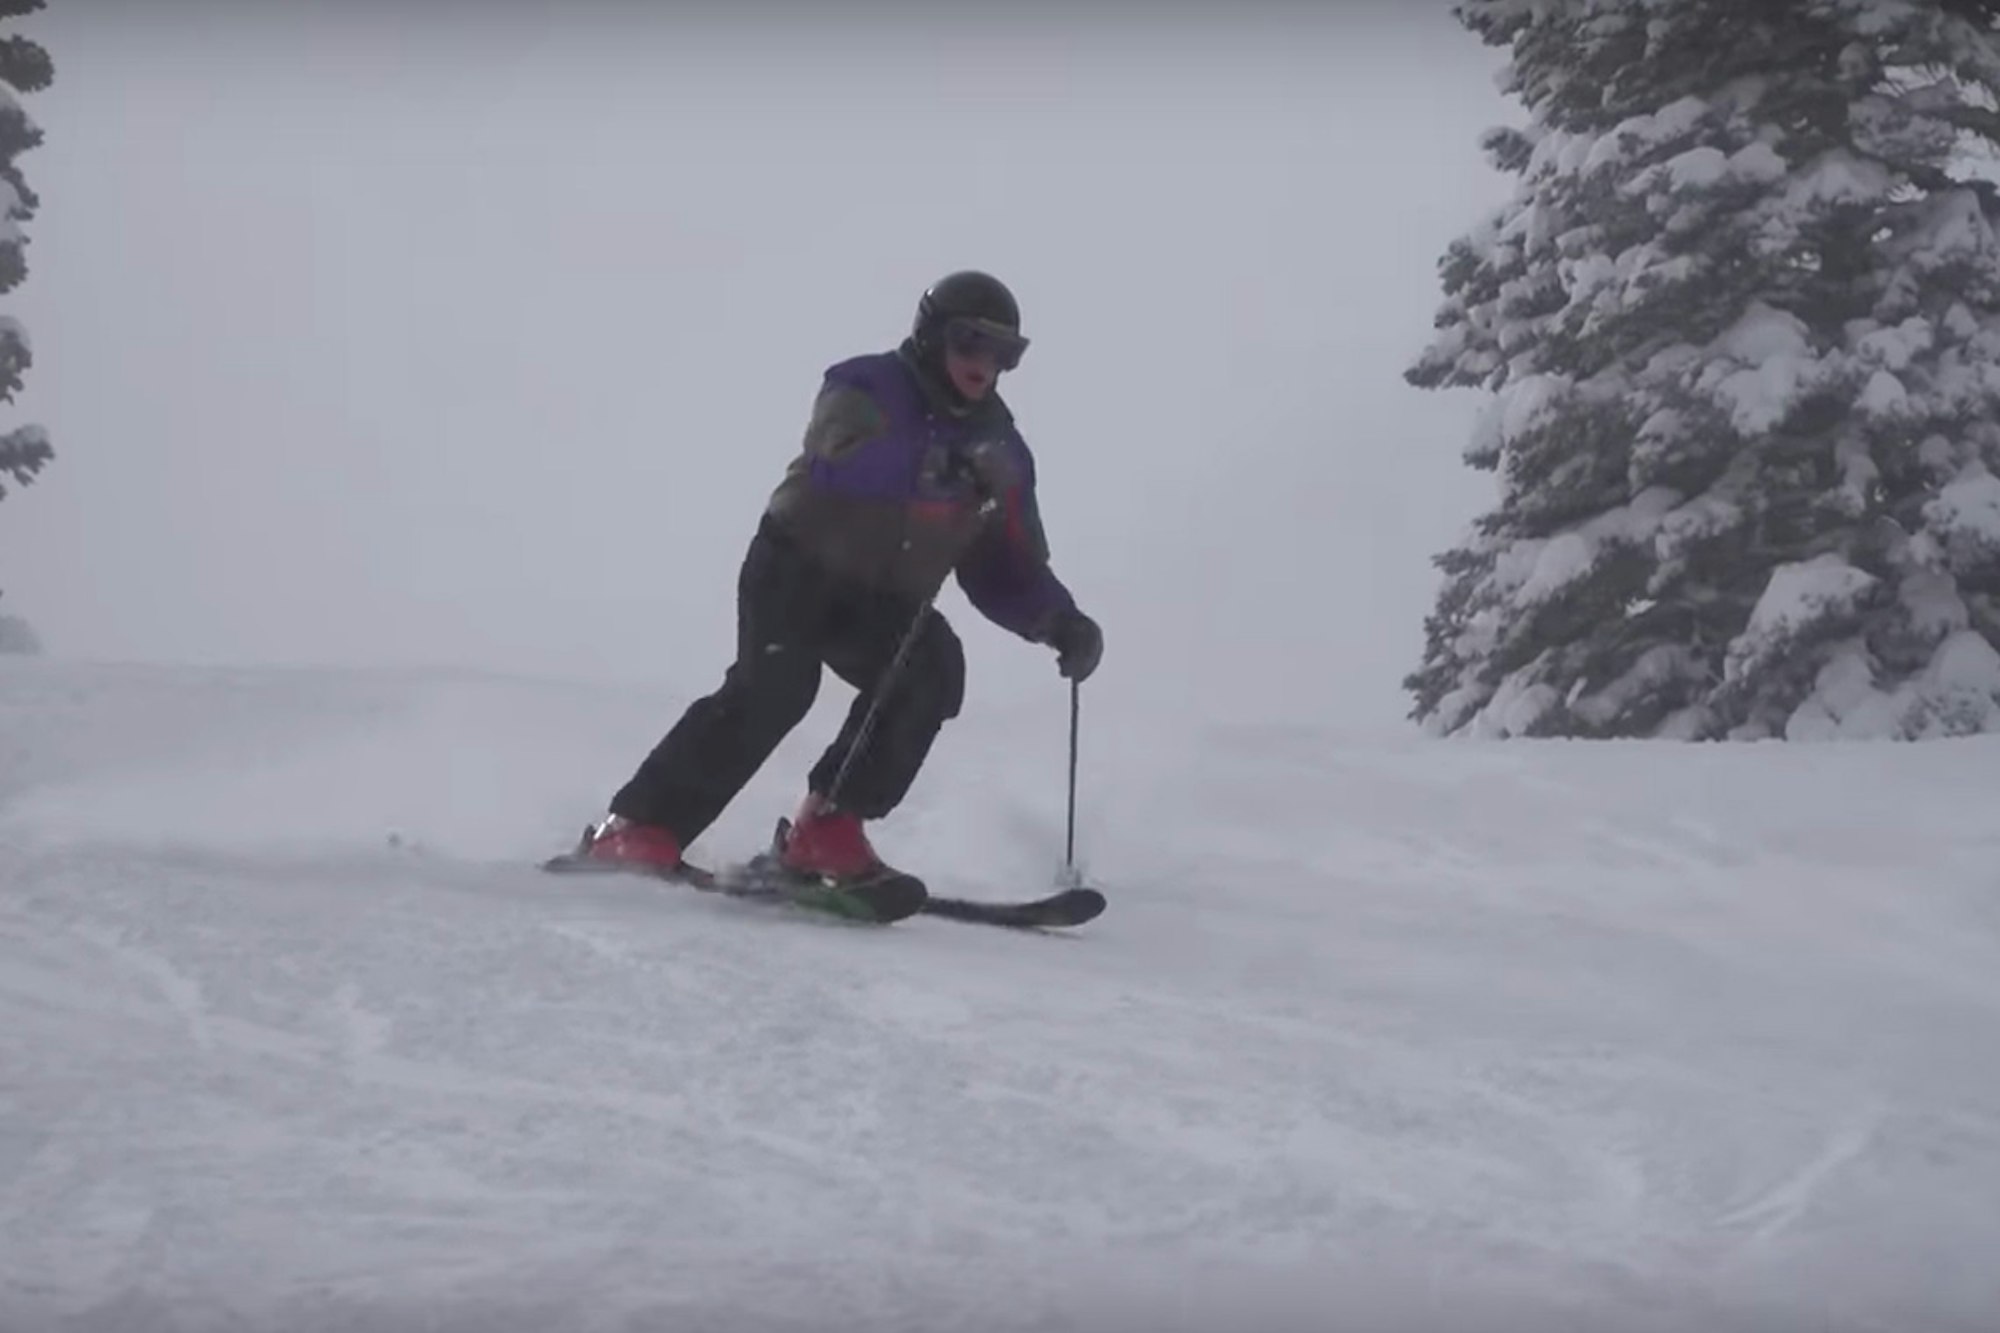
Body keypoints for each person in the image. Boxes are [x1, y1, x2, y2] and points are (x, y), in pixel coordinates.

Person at [578, 270, 1103, 883]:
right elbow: (841, 458)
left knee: (929, 670)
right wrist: (941, 466)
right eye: (969, 342)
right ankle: (639, 829)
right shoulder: (867, 384)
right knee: (776, 688)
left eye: (1003, 353)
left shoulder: (1002, 451)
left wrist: (1056, 620)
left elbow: (1002, 564)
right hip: (798, 568)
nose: (984, 364)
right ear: (933, 336)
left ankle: (825, 828)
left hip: (883, 601)